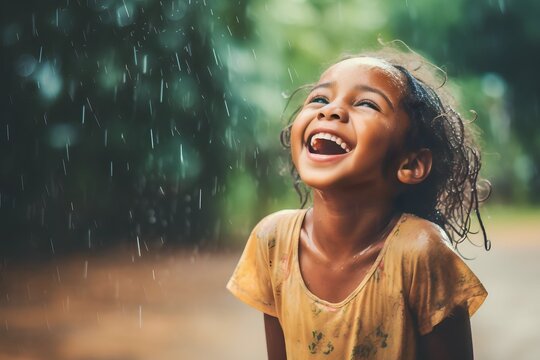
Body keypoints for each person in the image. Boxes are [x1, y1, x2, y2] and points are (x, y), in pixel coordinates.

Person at [226, 45, 490, 360]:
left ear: (411, 164)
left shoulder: (420, 251)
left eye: (366, 103)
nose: (330, 110)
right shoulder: (272, 243)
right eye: (320, 99)